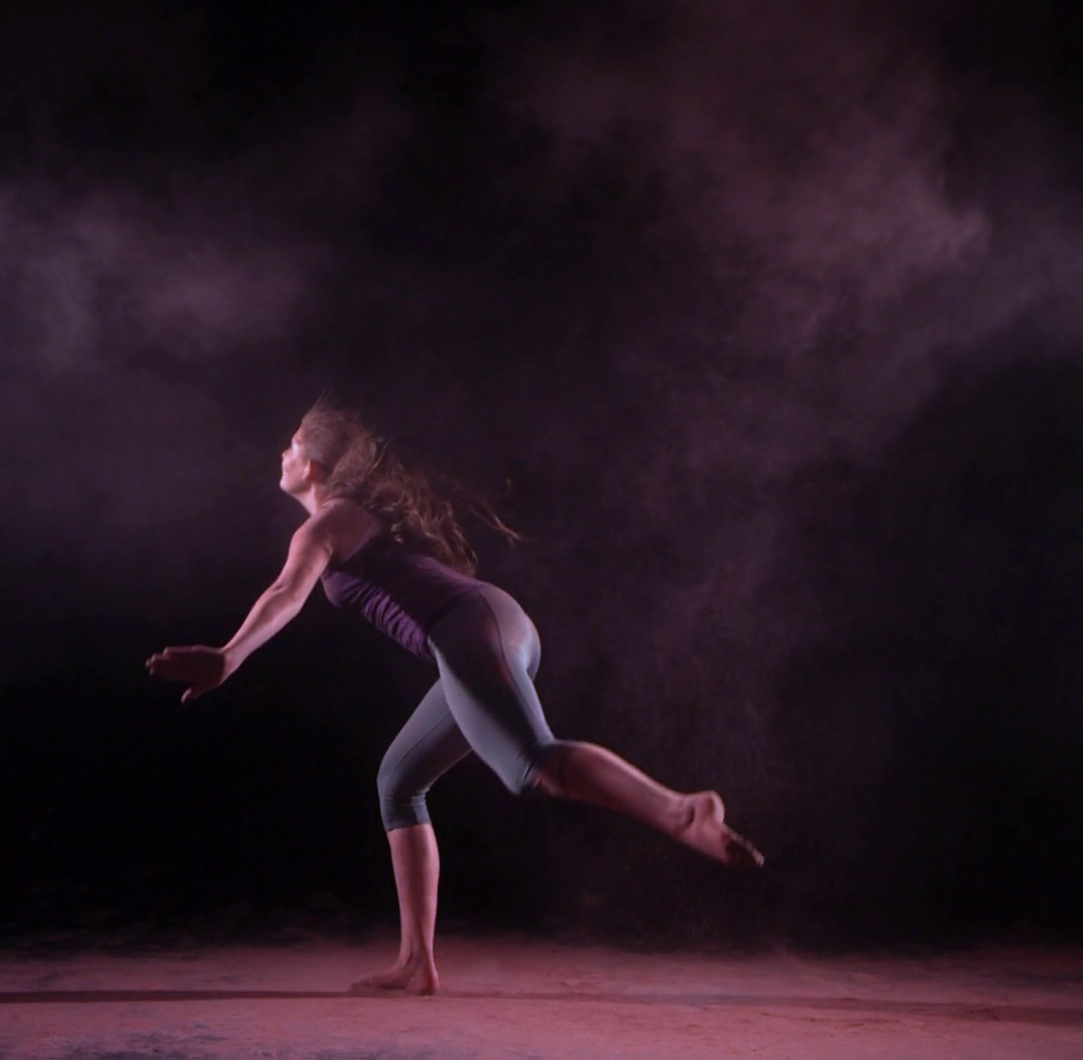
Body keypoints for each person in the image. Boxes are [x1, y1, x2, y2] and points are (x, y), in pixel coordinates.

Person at [146, 402, 762, 996]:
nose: (282, 452)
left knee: (531, 767)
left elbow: (286, 592)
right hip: (488, 629)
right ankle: (416, 963)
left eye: (293, 443)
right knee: (398, 782)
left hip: (473, 629)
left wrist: (230, 655)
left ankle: (683, 811)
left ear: (311, 465)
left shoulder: (325, 524)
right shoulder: (352, 517)